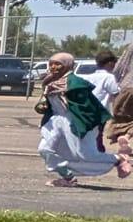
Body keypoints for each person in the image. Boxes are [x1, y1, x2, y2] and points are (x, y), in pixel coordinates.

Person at [36, 51, 127, 185]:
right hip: (55, 121)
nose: (53, 67)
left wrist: (86, 123)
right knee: (44, 149)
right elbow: (47, 102)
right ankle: (67, 177)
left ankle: (118, 159)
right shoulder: (49, 82)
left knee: (85, 155)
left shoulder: (75, 83)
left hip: (74, 120)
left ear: (67, 65)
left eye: (57, 64)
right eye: (51, 64)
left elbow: (86, 106)